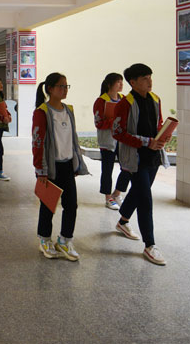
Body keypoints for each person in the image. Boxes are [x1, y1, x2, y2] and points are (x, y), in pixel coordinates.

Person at [112, 63, 169, 266]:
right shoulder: (124, 104)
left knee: (138, 192)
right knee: (145, 198)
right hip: (135, 158)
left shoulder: (155, 99)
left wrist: (163, 135)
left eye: (150, 77)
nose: (149, 81)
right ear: (133, 82)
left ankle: (123, 222)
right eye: (145, 78)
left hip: (153, 157)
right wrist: (146, 142)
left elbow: (158, 124)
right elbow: (117, 132)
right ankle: (149, 245)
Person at [32, 73, 88, 261]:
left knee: (71, 205)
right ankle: (44, 239)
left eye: (66, 86)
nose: (64, 90)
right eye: (61, 86)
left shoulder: (68, 110)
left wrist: (76, 163)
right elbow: (37, 142)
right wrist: (41, 169)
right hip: (50, 167)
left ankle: (64, 240)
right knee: (48, 205)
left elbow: (72, 138)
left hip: (67, 165)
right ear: (50, 89)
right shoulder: (42, 112)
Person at [92, 73, 131, 210]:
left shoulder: (124, 99)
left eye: (122, 82)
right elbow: (98, 123)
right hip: (108, 141)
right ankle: (108, 198)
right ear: (109, 84)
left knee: (128, 167)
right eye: (118, 82)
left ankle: (117, 193)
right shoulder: (101, 101)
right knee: (107, 170)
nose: (121, 84)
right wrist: (114, 121)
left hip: (122, 140)